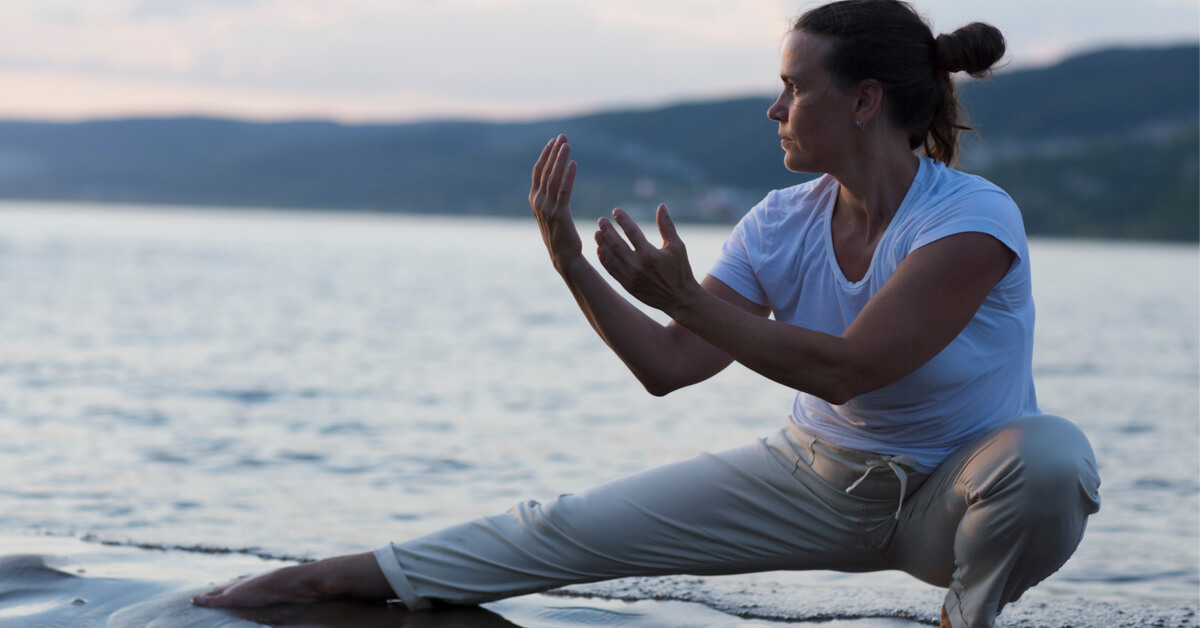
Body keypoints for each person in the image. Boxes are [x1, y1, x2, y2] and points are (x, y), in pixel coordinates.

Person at [191, 1, 1101, 626]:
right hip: (815, 477)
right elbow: (671, 366)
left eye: (794, 88)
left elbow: (850, 366)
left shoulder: (971, 220)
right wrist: (572, 266)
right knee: (559, 529)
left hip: (956, 495)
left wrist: (686, 300)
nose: (774, 108)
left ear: (864, 102)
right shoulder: (781, 222)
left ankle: (963, 620)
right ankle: (319, 581)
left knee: (1051, 459)